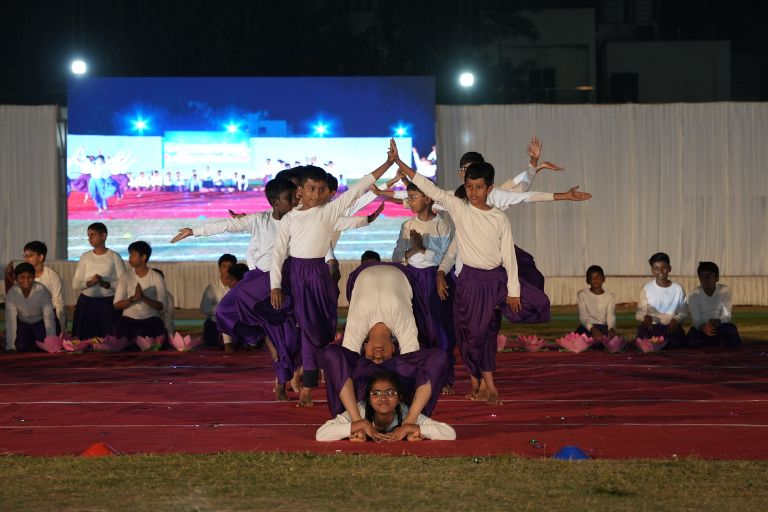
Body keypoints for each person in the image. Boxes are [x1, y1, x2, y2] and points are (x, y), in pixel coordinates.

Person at [393, 139, 516, 405]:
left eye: (479, 187)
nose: (473, 192)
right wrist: (401, 164)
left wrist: (513, 290)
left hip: (493, 281)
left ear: (489, 188)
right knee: (468, 336)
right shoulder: (459, 208)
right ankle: (476, 381)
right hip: (468, 281)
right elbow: (428, 187)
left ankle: (489, 384)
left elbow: (509, 256)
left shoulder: (499, 218)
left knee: (486, 333)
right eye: (469, 187)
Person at [270, 154, 396, 407]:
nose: (316, 194)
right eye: (310, 189)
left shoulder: (330, 211)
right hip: (296, 274)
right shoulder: (290, 219)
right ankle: (307, 385)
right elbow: (278, 253)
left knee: (324, 329)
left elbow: (359, 187)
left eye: (320, 190)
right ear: (300, 191)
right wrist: (275, 285)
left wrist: (389, 163)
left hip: (320, 274)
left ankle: (310, 371)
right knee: (307, 329)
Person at [324, 263, 449, 427]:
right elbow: (417, 368)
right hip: (402, 274)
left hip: (359, 276)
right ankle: (409, 420)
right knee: (434, 356)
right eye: (384, 358)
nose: (377, 356)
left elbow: (342, 366)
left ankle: (359, 420)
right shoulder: (403, 325)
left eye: (371, 357)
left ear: (365, 347)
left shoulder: (357, 326)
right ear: (393, 348)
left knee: (335, 356)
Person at [392, 181, 457, 392]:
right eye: (409, 197)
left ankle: (444, 378)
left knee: (439, 327)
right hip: (412, 280)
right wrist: (413, 251)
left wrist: (423, 249)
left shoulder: (443, 225)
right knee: (416, 328)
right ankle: (422, 376)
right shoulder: (408, 226)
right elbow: (397, 257)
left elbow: (448, 257)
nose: (409, 202)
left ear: (428, 198)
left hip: (435, 279)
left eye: (414, 197)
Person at [316, 370, 456, 442]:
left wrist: (408, 427)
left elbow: (450, 433)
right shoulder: (361, 409)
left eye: (390, 392)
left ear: (399, 397)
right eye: (376, 393)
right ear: (369, 398)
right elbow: (321, 434)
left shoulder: (405, 411)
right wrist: (362, 425)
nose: (383, 398)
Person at [71, 222, 126, 339]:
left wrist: (106, 284)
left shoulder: (114, 256)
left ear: (103, 236)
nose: (89, 238)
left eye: (93, 235)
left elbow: (124, 284)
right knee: (86, 340)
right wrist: (89, 283)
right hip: (87, 304)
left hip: (108, 304)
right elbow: (75, 284)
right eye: (88, 235)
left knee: (107, 340)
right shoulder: (85, 257)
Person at [112, 241, 167, 346]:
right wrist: (132, 299)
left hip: (151, 322)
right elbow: (116, 305)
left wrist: (143, 298)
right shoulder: (125, 276)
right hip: (128, 322)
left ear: (143, 257)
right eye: (129, 254)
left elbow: (162, 306)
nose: (129, 257)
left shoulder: (156, 277)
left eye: (133, 254)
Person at [636, 252, 687, 348]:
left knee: (676, 342)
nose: (661, 271)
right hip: (652, 327)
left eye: (664, 267)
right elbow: (639, 313)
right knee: (643, 339)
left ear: (669, 269)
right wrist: (645, 317)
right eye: (656, 268)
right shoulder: (646, 288)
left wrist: (676, 320)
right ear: (652, 270)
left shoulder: (678, 289)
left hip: (670, 327)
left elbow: (683, 312)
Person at [686, 261, 741, 348]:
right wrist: (703, 328)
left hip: (719, 326)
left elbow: (727, 316)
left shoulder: (724, 290)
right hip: (701, 328)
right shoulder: (694, 294)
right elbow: (696, 320)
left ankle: (713, 342)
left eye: (710, 275)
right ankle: (717, 342)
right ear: (699, 278)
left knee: (731, 330)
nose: (706, 279)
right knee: (692, 340)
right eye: (703, 276)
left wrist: (718, 321)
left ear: (717, 278)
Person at [4, 263, 56, 352]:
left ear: (34, 276)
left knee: (41, 348)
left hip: (40, 322)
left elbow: (49, 318)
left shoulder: (42, 290)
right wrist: (10, 345)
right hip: (22, 323)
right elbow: (10, 320)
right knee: (22, 348)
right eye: (22, 277)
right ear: (16, 278)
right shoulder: (12, 293)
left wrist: (51, 343)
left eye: (29, 276)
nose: (26, 280)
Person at [21, 241, 66, 335]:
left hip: (48, 318)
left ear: (41, 257)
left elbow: (59, 303)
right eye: (25, 255)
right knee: (22, 346)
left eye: (29, 255)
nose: (26, 258)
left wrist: (62, 329)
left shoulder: (52, 276)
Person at [200, 254, 238, 346]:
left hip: (234, 324)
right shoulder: (212, 287)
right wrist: (223, 310)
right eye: (224, 267)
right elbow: (204, 308)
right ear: (219, 268)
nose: (227, 270)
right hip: (215, 325)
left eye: (230, 267)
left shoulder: (239, 286)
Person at [575, 265, 616, 341]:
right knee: (581, 342)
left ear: (603, 279)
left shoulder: (610, 297)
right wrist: (593, 330)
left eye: (598, 276)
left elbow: (611, 317)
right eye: (592, 277)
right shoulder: (582, 294)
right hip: (587, 328)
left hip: (603, 328)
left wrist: (611, 328)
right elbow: (583, 317)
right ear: (587, 280)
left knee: (609, 343)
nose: (595, 279)